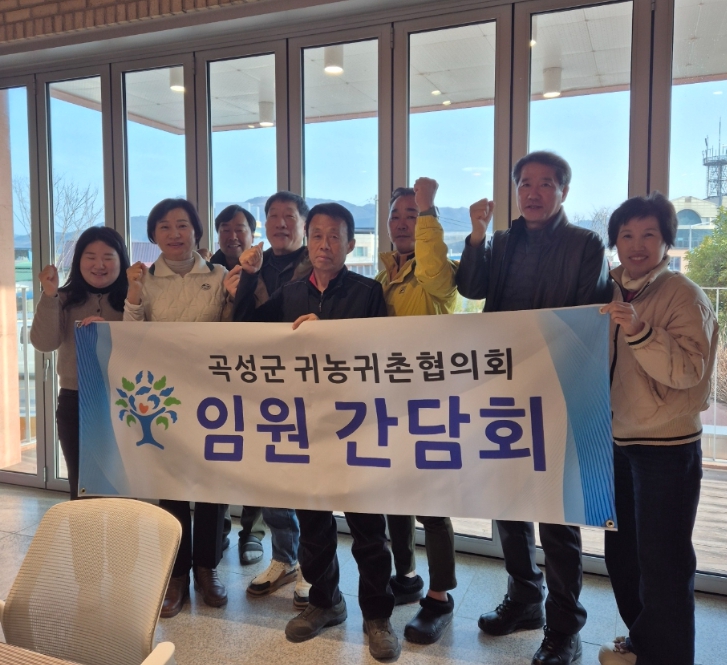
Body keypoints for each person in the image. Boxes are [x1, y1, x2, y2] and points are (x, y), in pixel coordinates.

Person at [456, 151, 611, 665]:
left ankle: (565, 627)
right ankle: (524, 598)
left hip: (559, 389)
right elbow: (471, 288)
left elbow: (583, 315)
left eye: (546, 184)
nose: (534, 193)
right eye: (525, 183)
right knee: (509, 501)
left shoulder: (586, 244)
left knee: (557, 513)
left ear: (563, 191)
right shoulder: (501, 241)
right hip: (505, 389)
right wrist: (477, 236)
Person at [233, 202, 399, 661]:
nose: (325, 245)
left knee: (368, 529)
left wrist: (327, 332)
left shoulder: (367, 292)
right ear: (308, 242)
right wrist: (248, 279)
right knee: (314, 525)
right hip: (306, 426)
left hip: (356, 426)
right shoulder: (289, 292)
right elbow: (244, 332)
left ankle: (377, 615)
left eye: (334, 236)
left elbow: (380, 351)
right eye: (317, 236)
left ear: (350, 244)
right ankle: (326, 603)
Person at [598, 193, 717, 665]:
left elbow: (689, 371)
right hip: (616, 441)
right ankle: (643, 642)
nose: (637, 245)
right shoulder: (606, 288)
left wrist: (641, 331)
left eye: (649, 234)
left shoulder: (684, 294)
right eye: (626, 235)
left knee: (663, 562)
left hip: (667, 447)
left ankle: (669, 656)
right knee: (622, 555)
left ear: (667, 240)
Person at [124, 197, 238, 619]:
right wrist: (133, 293)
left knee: (210, 485)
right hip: (164, 396)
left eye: (183, 225)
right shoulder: (143, 279)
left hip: (212, 396)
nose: (174, 234)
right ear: (153, 235)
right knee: (170, 486)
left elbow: (233, 335)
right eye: (165, 227)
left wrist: (233, 300)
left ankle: (207, 569)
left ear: (196, 231)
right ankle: (175, 575)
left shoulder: (220, 275)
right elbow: (131, 336)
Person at [376, 177, 459, 644]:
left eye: (413, 215)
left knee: (431, 504)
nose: (404, 223)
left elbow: (435, 271)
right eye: (397, 215)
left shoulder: (436, 273)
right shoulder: (383, 277)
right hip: (388, 404)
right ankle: (406, 575)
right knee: (397, 495)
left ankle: (440, 596)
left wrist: (429, 212)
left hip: (428, 405)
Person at [226, 191, 313, 608]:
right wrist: (246, 277)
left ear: (304, 224)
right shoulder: (252, 265)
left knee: (309, 480)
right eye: (273, 215)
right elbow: (240, 322)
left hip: (309, 387)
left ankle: (312, 566)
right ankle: (284, 558)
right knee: (272, 475)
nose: (281, 223)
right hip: (261, 386)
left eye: (289, 216)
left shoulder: (318, 264)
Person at [30, 226, 130, 501]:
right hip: (75, 401)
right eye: (90, 257)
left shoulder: (134, 299)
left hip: (125, 400)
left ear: (121, 260)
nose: (99, 265)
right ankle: (85, 532)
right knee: (83, 485)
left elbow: (146, 347)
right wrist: (49, 294)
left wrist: (111, 331)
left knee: (124, 486)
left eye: (108, 257)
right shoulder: (62, 298)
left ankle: (121, 532)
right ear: (78, 261)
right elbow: (44, 342)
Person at [210, 205, 256, 270]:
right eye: (226, 230)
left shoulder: (267, 267)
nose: (233, 237)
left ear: (252, 237)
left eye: (240, 230)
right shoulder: (208, 270)